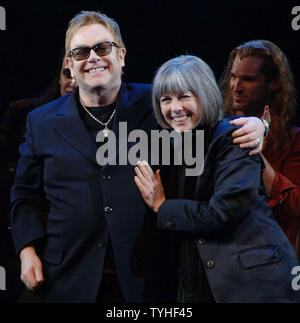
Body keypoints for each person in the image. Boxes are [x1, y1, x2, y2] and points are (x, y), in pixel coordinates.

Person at [9, 11, 265, 303]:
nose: (92, 57)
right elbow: (25, 195)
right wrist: (26, 249)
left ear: (121, 56)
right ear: (70, 64)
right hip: (67, 278)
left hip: (146, 280)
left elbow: (204, 122)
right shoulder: (40, 121)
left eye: (103, 48)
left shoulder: (156, 102)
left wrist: (259, 126)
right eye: (81, 52)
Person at [134, 55, 300, 303]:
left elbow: (222, 212)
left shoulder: (235, 139)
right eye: (166, 99)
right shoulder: (175, 143)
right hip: (202, 281)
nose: (174, 107)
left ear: (205, 96)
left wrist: (162, 205)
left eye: (184, 96)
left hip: (254, 284)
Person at [0, 57, 75, 303]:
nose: (72, 82)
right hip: (25, 225)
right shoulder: (27, 113)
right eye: (67, 74)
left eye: (78, 76)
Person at [219, 40, 300, 254]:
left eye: (247, 79)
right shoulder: (217, 130)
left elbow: (292, 209)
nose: (236, 87)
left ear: (272, 83)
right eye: (233, 77)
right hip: (222, 255)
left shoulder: (294, 139)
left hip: (270, 255)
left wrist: (254, 148)